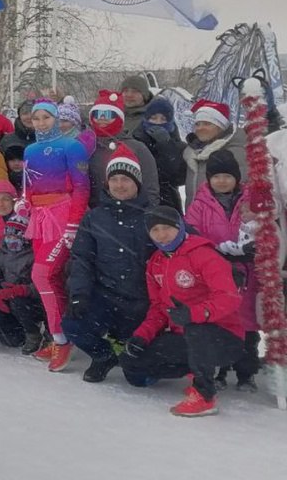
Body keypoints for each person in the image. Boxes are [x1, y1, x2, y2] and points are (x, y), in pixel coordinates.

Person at [119, 205, 246, 416]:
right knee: (132, 365)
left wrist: (195, 313)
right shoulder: (155, 263)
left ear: (179, 227)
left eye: (167, 227)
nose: (162, 234)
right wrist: (141, 336)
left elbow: (229, 298)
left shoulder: (203, 254)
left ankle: (205, 395)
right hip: (185, 337)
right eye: (155, 229)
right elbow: (159, 307)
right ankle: (193, 369)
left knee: (196, 329)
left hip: (224, 337)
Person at [64, 145, 155, 382]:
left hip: (142, 302)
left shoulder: (155, 215)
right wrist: (80, 294)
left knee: (139, 379)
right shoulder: (95, 216)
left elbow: (184, 246)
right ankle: (104, 356)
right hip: (105, 297)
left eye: (126, 179)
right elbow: (82, 258)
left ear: (137, 182)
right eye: (114, 179)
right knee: (73, 324)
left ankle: (131, 354)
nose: (119, 185)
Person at [22, 98, 93, 370]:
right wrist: (24, 203)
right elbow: (29, 186)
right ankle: (59, 335)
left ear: (56, 119)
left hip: (62, 216)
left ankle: (63, 340)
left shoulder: (72, 146)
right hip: (39, 220)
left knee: (42, 274)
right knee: (48, 279)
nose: (41, 123)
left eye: (46, 117)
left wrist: (74, 224)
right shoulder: (30, 149)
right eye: (36, 118)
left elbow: (82, 188)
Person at [183, 150, 260, 390]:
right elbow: (191, 234)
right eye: (217, 176)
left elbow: (264, 227)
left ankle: (246, 373)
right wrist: (215, 253)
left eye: (227, 176)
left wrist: (251, 247)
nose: (222, 181)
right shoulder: (200, 203)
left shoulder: (250, 201)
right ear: (209, 179)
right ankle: (220, 370)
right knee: (221, 320)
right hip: (215, 273)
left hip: (247, 272)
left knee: (247, 324)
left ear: (237, 177)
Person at [0, 207, 44, 351]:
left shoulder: (33, 257)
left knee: (18, 303)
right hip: (4, 298)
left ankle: (33, 332)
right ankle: (16, 329)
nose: (11, 240)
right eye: (9, 236)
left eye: (16, 237)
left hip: (28, 301)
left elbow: (39, 284)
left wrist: (22, 290)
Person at [87, 90, 160, 207]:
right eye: (97, 114)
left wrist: (148, 215)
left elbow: (150, 188)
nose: (101, 118)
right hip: (93, 218)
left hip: (131, 216)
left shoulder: (137, 148)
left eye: (108, 114)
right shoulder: (84, 146)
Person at [183, 100, 247, 205]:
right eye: (197, 124)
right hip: (196, 218)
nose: (200, 128)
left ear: (220, 126)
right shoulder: (195, 152)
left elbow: (240, 194)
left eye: (207, 124)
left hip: (223, 219)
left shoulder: (235, 152)